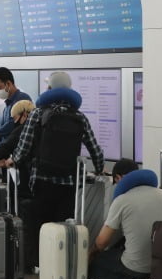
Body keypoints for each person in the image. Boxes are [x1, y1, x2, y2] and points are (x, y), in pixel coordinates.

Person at [6, 71, 104, 224]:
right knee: (63, 229)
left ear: (50, 88)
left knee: (42, 228)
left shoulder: (38, 114)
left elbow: (24, 147)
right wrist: (99, 169)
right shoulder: (80, 117)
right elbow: (96, 151)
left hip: (42, 182)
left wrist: (14, 160)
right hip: (69, 185)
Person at [89, 159, 162, 279]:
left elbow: (102, 242)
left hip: (136, 267)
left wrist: (90, 254)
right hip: (160, 265)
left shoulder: (122, 200)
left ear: (118, 178)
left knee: (98, 261)